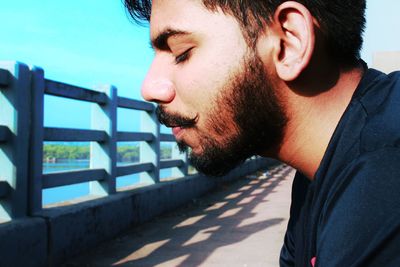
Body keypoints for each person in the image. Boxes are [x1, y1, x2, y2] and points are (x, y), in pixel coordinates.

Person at [124, 0, 400, 266]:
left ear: (288, 43)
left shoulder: (383, 180)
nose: (149, 88)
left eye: (182, 52)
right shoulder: (317, 174)